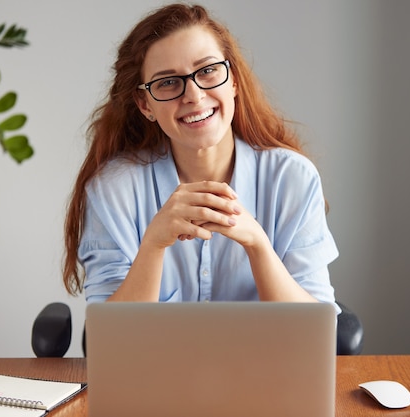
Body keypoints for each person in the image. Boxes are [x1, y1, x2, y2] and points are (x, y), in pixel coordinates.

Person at [62, 3, 339, 308]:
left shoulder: (293, 178)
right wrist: (153, 245)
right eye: (168, 82)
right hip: (155, 359)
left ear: (233, 80)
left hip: (266, 358)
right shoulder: (113, 190)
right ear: (145, 105)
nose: (193, 95)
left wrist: (258, 244)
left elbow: (318, 332)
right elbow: (110, 341)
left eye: (207, 71)